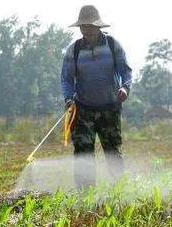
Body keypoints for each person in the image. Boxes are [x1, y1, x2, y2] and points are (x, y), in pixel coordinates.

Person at [61, 5, 133, 189]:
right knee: (83, 153)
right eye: (84, 27)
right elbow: (66, 79)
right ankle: (86, 194)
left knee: (112, 152)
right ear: (80, 28)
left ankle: (120, 191)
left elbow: (126, 72)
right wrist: (69, 99)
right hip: (83, 109)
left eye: (91, 27)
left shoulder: (112, 45)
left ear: (98, 27)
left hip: (110, 108)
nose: (87, 31)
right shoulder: (74, 50)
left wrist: (125, 89)